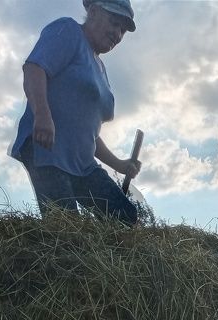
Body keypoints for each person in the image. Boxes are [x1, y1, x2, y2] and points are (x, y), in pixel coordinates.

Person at [10, 0, 140, 226]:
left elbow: (88, 133)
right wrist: (42, 114)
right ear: (93, 11)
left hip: (84, 164)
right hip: (48, 153)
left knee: (125, 216)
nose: (117, 34)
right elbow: (34, 68)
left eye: (122, 30)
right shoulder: (68, 31)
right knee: (67, 229)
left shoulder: (101, 68)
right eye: (114, 22)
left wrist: (118, 164)